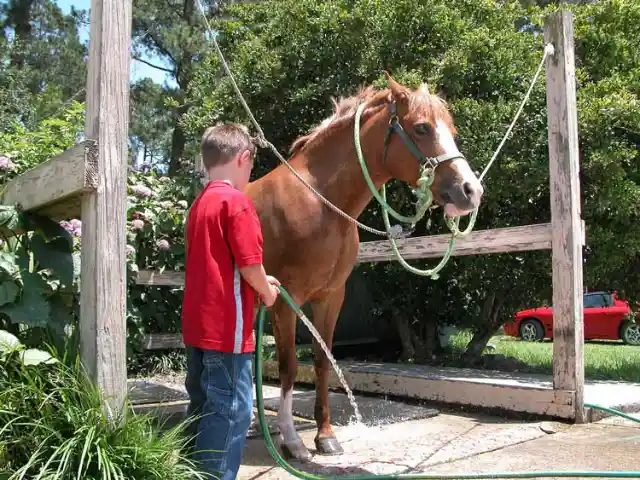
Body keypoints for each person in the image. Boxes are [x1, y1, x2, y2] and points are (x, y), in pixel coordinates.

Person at [181, 123, 281, 480]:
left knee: (204, 406)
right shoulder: (237, 202)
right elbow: (249, 263)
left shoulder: (200, 204)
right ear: (244, 158)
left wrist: (258, 279)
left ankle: (190, 473)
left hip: (197, 328)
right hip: (227, 331)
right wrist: (267, 292)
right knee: (232, 410)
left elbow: (223, 263)